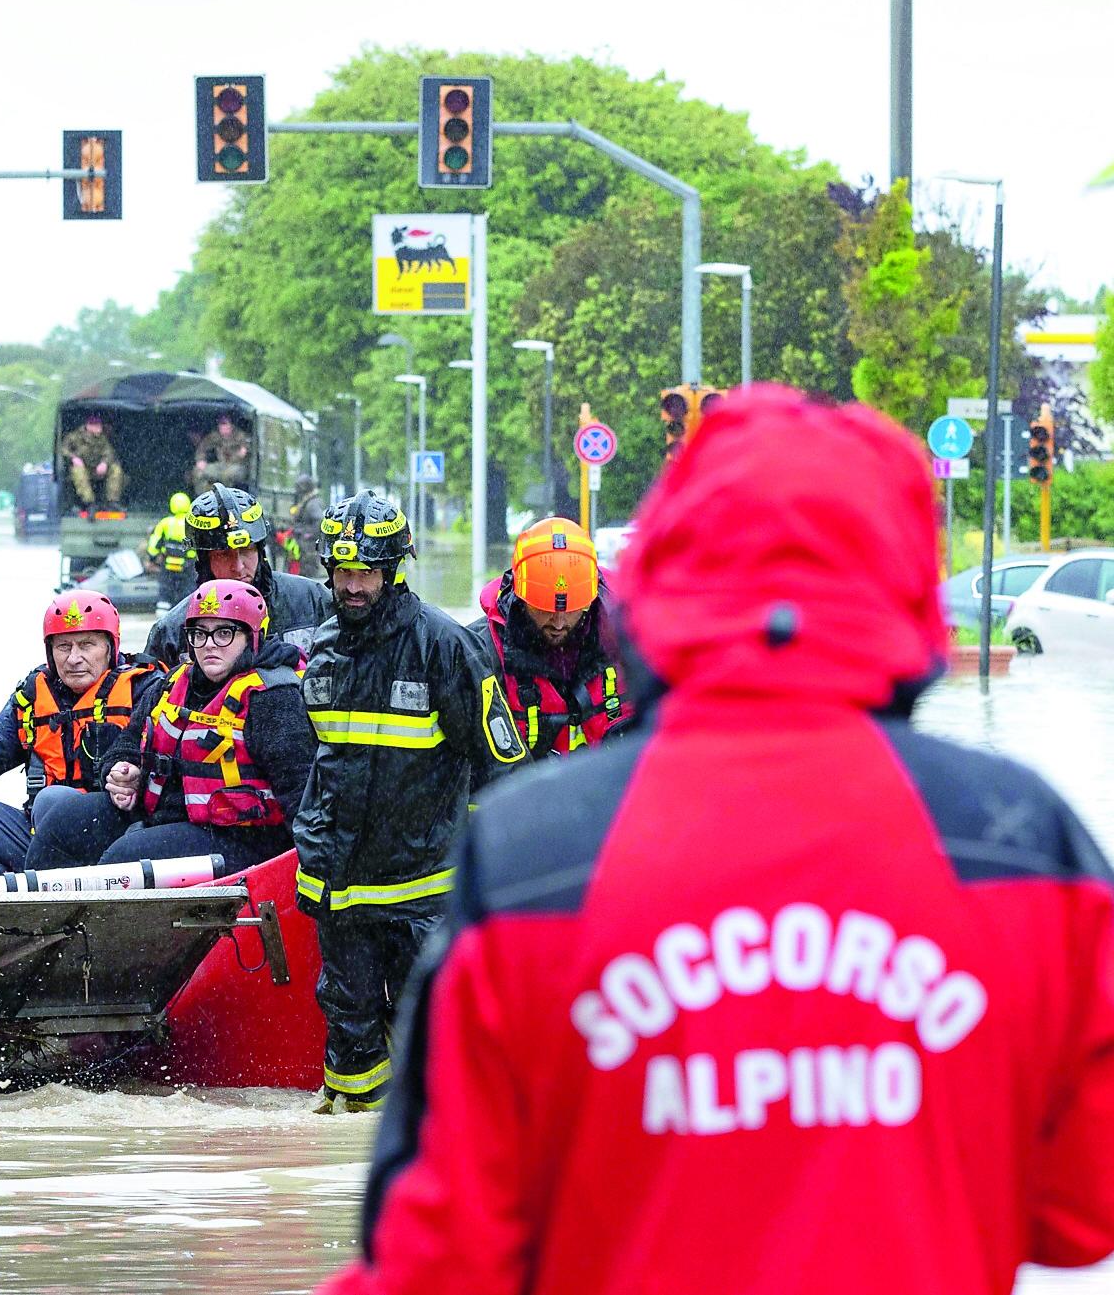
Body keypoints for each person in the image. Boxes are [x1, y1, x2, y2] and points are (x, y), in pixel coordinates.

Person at [329, 388, 1114, 1295]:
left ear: (662, 578)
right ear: (906, 582)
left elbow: (440, 1256)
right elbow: (1079, 1210)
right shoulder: (1024, 845)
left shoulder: (531, 857)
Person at [294, 490, 528, 1114]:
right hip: (339, 890)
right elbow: (322, 764)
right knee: (350, 1037)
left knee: (443, 1034)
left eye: (366, 572)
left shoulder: (445, 648)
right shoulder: (320, 648)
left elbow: (502, 767)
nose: (353, 586)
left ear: (393, 568)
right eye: (343, 572)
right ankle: (351, 1169)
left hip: (425, 890)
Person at [28, 579, 314, 875]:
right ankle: (39, 918)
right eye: (199, 634)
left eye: (224, 633)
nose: (209, 645)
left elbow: (301, 793)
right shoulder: (174, 682)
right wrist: (122, 769)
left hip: (243, 840)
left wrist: (309, 873)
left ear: (253, 636)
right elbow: (127, 742)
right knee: (62, 823)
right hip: (165, 817)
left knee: (123, 860)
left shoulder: (273, 696)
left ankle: (94, 919)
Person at [0, 589, 164, 879]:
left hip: (116, 843)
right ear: (49, 652)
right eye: (63, 646)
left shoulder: (147, 690)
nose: (74, 658)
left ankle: (68, 908)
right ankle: (1, 914)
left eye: (87, 644)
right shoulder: (32, 697)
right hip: (44, 841)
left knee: (54, 802)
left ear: (111, 647)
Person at [471, 516, 632, 754]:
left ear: (592, 597)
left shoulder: (632, 638)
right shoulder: (481, 653)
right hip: (525, 790)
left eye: (571, 610)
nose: (558, 622)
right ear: (520, 599)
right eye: (544, 609)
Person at [145, 483, 333, 667]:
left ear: (260, 551)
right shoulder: (172, 632)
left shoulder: (312, 601)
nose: (238, 566)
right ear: (204, 561)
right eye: (223, 554)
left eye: (246, 550)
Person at [58, 412, 125, 508]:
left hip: (97, 469)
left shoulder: (102, 438)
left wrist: (104, 463)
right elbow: (63, 450)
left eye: (99, 424)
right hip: (83, 469)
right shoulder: (74, 437)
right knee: (78, 471)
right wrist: (73, 458)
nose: (100, 427)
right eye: (96, 425)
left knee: (115, 469)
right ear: (89, 426)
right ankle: (89, 502)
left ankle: (112, 501)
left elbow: (109, 453)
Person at [145, 491, 195, 610]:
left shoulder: (165, 523)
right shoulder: (192, 523)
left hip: (168, 566)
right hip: (188, 566)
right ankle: (184, 612)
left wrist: (152, 558)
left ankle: (163, 613)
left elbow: (154, 543)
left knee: (166, 591)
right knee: (187, 592)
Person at [192, 413, 252, 493]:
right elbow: (202, 447)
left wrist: (243, 451)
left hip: (238, 466)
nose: (223, 427)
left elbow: (249, 448)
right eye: (221, 424)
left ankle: (226, 500)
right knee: (198, 472)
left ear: (231, 425)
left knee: (227, 475)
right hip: (221, 465)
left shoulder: (240, 436)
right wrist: (200, 460)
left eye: (225, 424)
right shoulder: (215, 436)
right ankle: (203, 498)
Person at [282, 473, 325, 575]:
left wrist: (306, 534)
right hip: (302, 547)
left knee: (307, 576)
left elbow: (319, 521)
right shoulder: (305, 502)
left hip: (308, 549)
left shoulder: (312, 504)